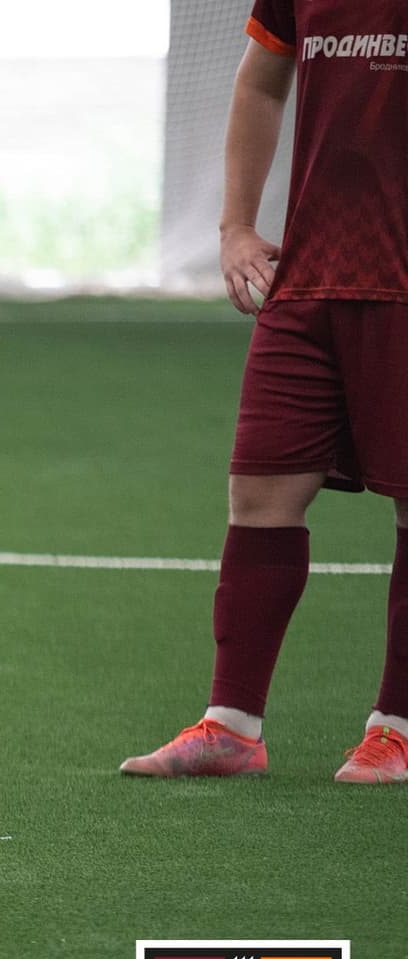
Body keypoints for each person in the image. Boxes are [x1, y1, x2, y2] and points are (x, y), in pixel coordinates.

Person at [119, 2, 408, 784]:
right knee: (259, 491)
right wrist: (235, 228)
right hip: (309, 280)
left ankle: (397, 728)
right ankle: (232, 727)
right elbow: (260, 86)